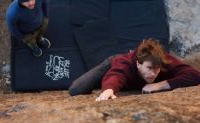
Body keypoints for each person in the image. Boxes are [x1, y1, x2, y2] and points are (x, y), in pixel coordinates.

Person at [68, 38, 200, 101]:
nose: (153, 73)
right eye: (149, 68)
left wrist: (159, 85)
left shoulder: (163, 60)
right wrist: (108, 89)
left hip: (130, 75)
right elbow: (117, 74)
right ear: (138, 64)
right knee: (76, 89)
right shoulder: (124, 63)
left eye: (157, 69)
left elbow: (194, 75)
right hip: (113, 64)